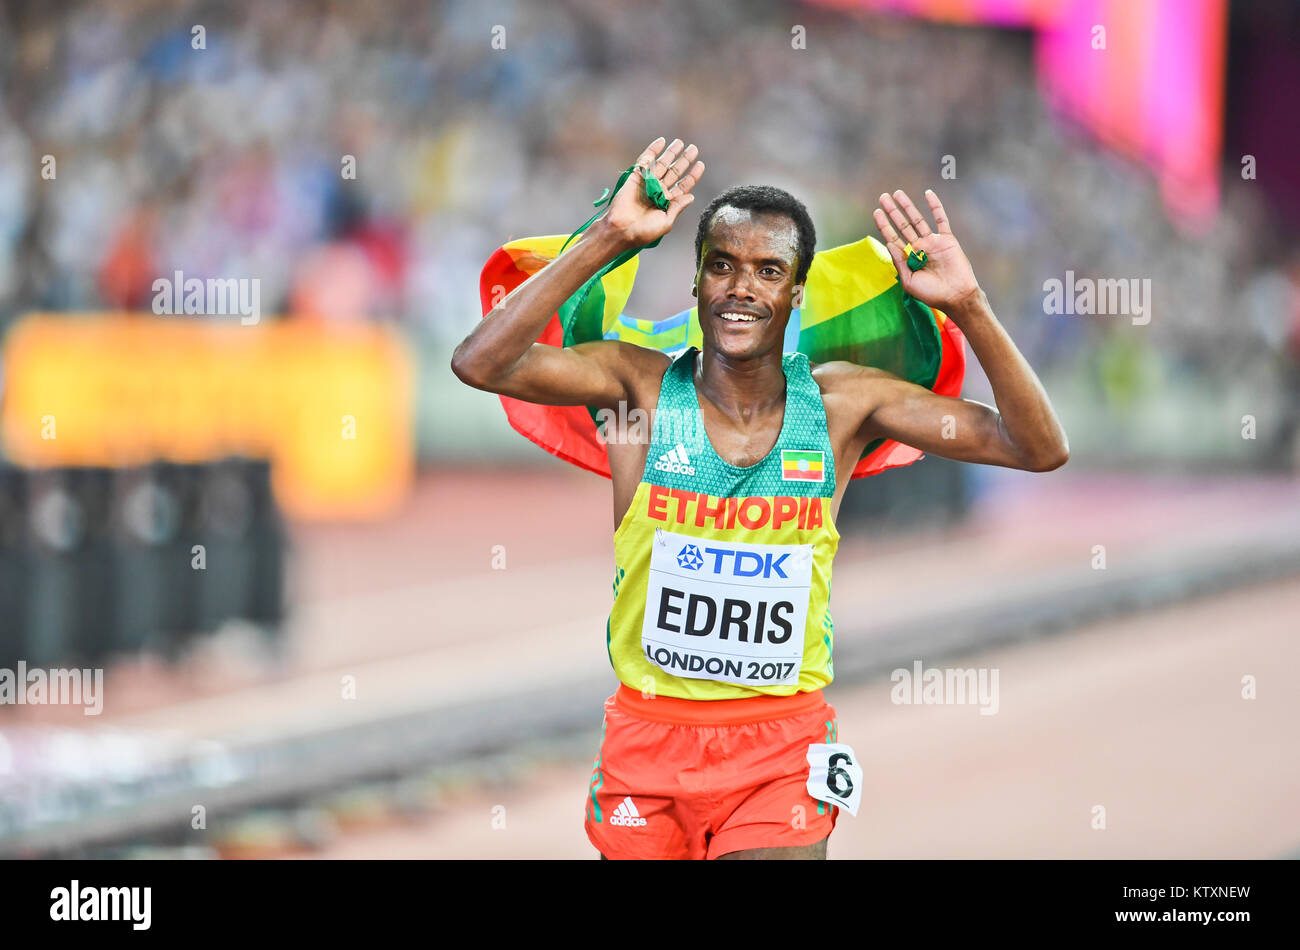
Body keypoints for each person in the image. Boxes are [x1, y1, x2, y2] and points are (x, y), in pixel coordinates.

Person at [451, 136, 1069, 859]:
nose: (741, 287)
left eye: (768, 271)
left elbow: (1038, 448)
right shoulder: (637, 390)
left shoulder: (842, 406)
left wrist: (970, 305)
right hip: (648, 745)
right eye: (722, 266)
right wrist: (609, 237)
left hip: (780, 750)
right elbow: (481, 362)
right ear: (697, 283)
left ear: (796, 292)